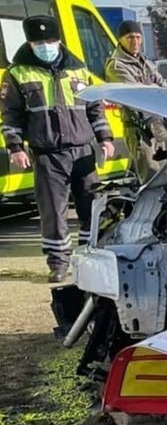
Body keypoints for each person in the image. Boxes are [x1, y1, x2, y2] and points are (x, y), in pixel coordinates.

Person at [0, 15, 115, 284]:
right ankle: (58, 263)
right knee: (53, 212)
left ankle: (89, 256)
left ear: (59, 40)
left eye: (50, 40)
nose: (46, 45)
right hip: (48, 154)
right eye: (39, 42)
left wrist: (105, 138)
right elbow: (11, 115)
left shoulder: (79, 69)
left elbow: (95, 108)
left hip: (82, 151)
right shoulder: (17, 73)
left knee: (90, 207)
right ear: (29, 43)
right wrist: (15, 147)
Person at [105, 19, 167, 179]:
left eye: (138, 37)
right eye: (130, 37)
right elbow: (137, 95)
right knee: (150, 173)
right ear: (121, 39)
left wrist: (153, 89)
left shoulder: (145, 61)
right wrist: (153, 89)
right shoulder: (117, 65)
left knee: (165, 171)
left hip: (156, 123)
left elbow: (164, 88)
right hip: (137, 127)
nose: (135, 42)